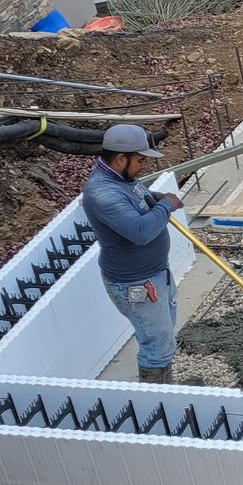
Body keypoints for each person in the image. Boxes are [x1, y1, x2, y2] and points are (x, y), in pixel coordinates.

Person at [81, 122, 184, 383]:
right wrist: (167, 206)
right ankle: (159, 401)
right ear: (120, 158)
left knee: (163, 333)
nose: (144, 167)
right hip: (136, 283)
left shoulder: (120, 179)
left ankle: (165, 390)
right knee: (156, 345)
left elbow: (140, 194)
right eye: (140, 160)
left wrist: (158, 197)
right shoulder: (103, 193)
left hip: (155, 273)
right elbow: (140, 232)